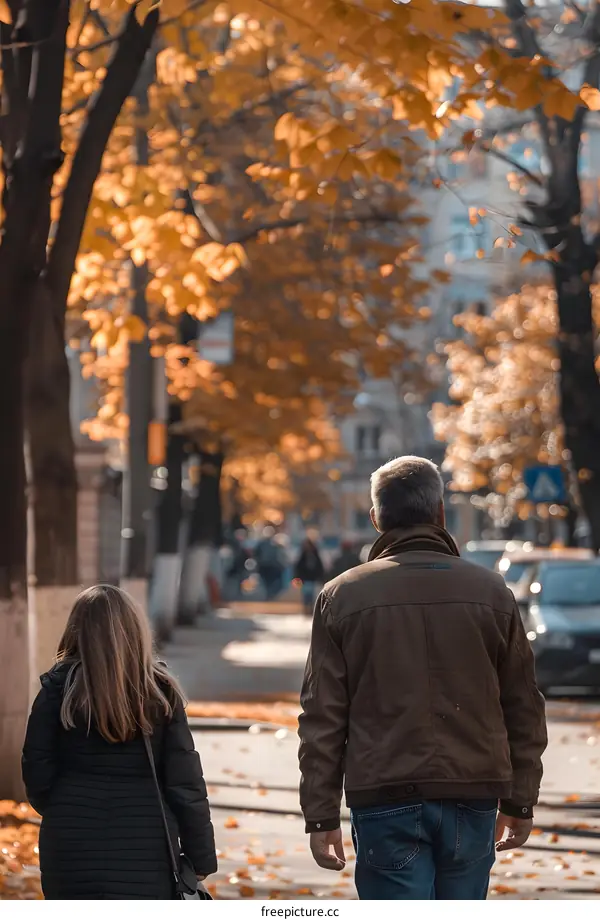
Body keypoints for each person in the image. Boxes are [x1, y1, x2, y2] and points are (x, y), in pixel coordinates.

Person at [298, 456, 547, 901]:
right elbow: (524, 705)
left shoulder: (342, 596)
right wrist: (520, 800)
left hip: (383, 795)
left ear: (376, 519)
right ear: (440, 514)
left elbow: (323, 714)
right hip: (472, 795)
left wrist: (320, 816)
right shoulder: (491, 593)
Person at [22, 584, 217, 900]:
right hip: (148, 846)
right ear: (135, 629)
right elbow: (186, 784)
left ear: (77, 629)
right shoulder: (159, 693)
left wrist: (65, 807)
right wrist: (201, 856)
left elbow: (36, 772)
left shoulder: (56, 690)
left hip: (70, 844)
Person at [294, 538, 325, 617]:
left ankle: (310, 609)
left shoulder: (315, 555)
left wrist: (320, 577)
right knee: (306, 595)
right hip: (305, 579)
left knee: (312, 595)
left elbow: (319, 567)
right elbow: (298, 568)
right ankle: (306, 609)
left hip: (312, 578)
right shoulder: (302, 556)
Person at [255, 526, 285, 599]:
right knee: (270, 582)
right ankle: (270, 593)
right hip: (269, 566)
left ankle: (269, 593)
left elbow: (256, 554)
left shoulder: (264, 544)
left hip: (267, 566)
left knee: (268, 582)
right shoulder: (273, 543)